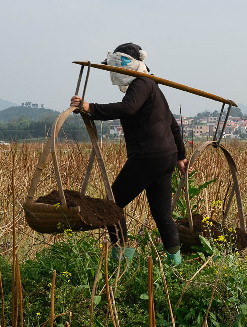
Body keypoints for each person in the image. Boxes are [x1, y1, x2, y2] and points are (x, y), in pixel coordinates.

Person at [70, 43, 187, 265]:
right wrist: (180, 156)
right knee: (162, 214)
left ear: (123, 66)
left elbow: (127, 108)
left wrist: (90, 108)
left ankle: (121, 256)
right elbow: (173, 124)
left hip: (148, 156)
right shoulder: (152, 84)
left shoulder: (140, 84)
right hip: (165, 156)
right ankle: (175, 263)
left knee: (110, 205)